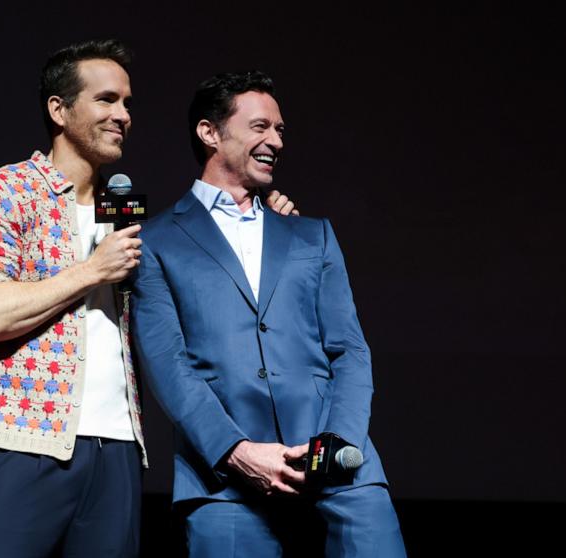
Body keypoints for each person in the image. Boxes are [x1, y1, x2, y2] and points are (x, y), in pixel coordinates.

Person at [0, 41, 297, 558]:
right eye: (107, 100)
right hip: (28, 439)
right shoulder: (3, 191)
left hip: (117, 447)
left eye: (128, 103)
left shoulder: (127, 210)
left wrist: (269, 232)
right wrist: (92, 271)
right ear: (59, 109)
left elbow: (200, 305)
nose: (123, 115)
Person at [130, 70, 406, 556]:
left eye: (280, 131)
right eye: (261, 127)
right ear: (209, 132)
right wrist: (236, 453)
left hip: (341, 472)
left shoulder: (311, 234)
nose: (275, 141)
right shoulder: (154, 243)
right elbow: (168, 364)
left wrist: (334, 446)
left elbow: (349, 349)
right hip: (224, 477)